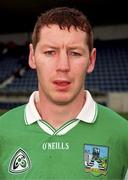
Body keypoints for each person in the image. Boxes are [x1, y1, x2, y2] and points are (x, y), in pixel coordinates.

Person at [0, 6, 128, 180]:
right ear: (32, 57)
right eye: (50, 52)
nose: (62, 66)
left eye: (74, 53)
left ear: (91, 60)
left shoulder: (122, 134)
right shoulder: (3, 130)